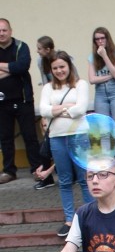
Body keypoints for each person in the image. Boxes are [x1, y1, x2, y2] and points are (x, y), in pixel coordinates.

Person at [38, 51, 94, 237]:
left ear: (69, 66)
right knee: (64, 180)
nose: (59, 71)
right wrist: (67, 108)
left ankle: (89, 217)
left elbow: (81, 109)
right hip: (57, 137)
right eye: (55, 68)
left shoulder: (81, 84)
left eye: (62, 66)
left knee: (84, 179)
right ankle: (70, 220)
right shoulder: (47, 88)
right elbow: (43, 110)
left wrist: (56, 110)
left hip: (78, 135)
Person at [0, 18, 42, 184]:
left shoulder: (21, 46)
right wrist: (12, 68)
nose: (1, 33)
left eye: (4, 30)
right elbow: (16, 68)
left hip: (24, 100)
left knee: (30, 136)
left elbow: (23, 66)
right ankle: (9, 171)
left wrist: (3, 67)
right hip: (2, 103)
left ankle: (37, 168)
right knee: (5, 138)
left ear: (11, 31)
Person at [88, 27, 115, 165]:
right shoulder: (92, 57)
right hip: (100, 94)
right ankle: (107, 162)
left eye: (102, 38)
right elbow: (92, 79)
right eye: (97, 39)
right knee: (103, 130)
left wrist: (105, 56)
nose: (100, 41)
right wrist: (112, 75)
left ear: (107, 38)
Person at [33, 117, 56, 190]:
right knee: (42, 149)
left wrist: (47, 172)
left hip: (70, 164)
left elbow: (62, 158)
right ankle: (47, 181)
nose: (46, 128)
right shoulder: (47, 138)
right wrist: (42, 166)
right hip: (58, 163)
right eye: (44, 126)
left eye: (47, 125)